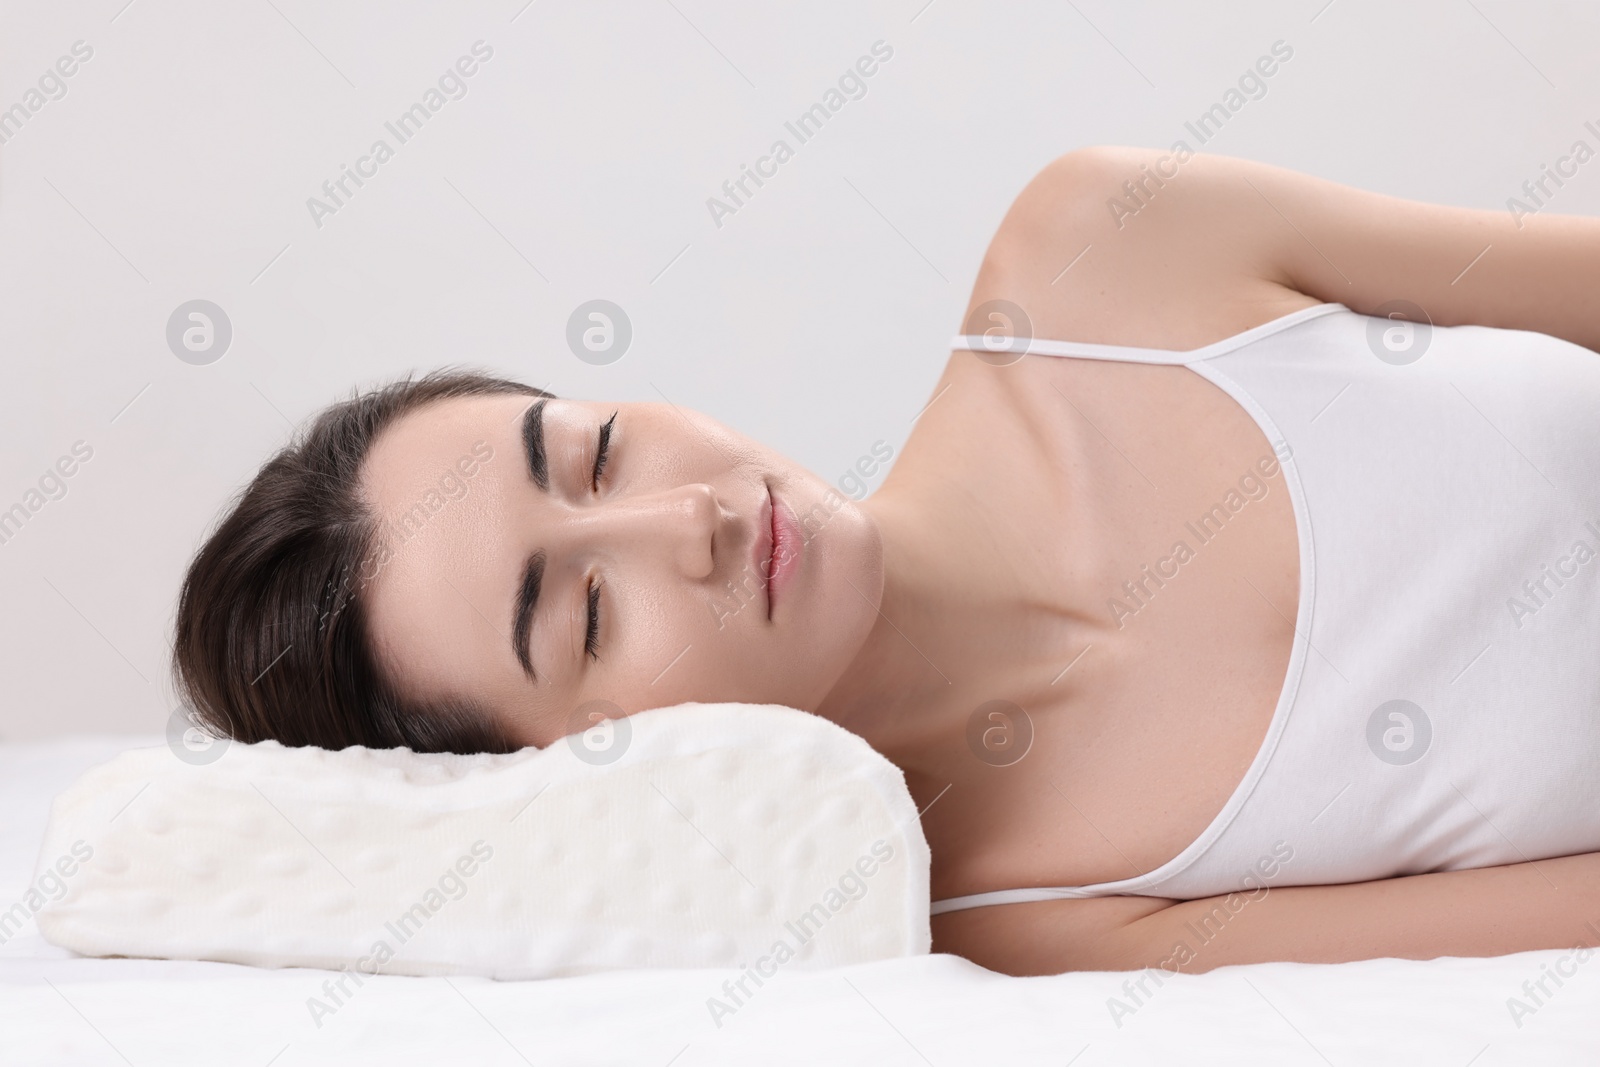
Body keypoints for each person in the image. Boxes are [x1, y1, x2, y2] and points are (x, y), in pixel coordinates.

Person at [173, 145, 1600, 977]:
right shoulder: (1011, 926)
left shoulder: (1102, 254)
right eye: (589, 614)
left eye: (599, 451)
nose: (693, 523)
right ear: (572, 768)